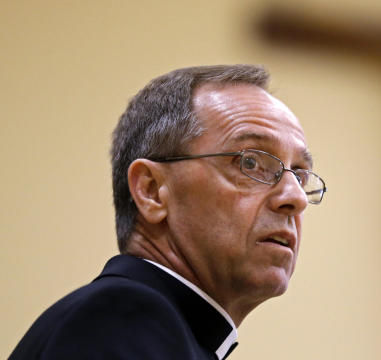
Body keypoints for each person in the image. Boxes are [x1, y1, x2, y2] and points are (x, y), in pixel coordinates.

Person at [9, 65, 326, 360]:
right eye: (250, 162)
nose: (295, 197)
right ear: (151, 191)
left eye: (299, 174)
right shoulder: (119, 317)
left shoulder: (168, 330)